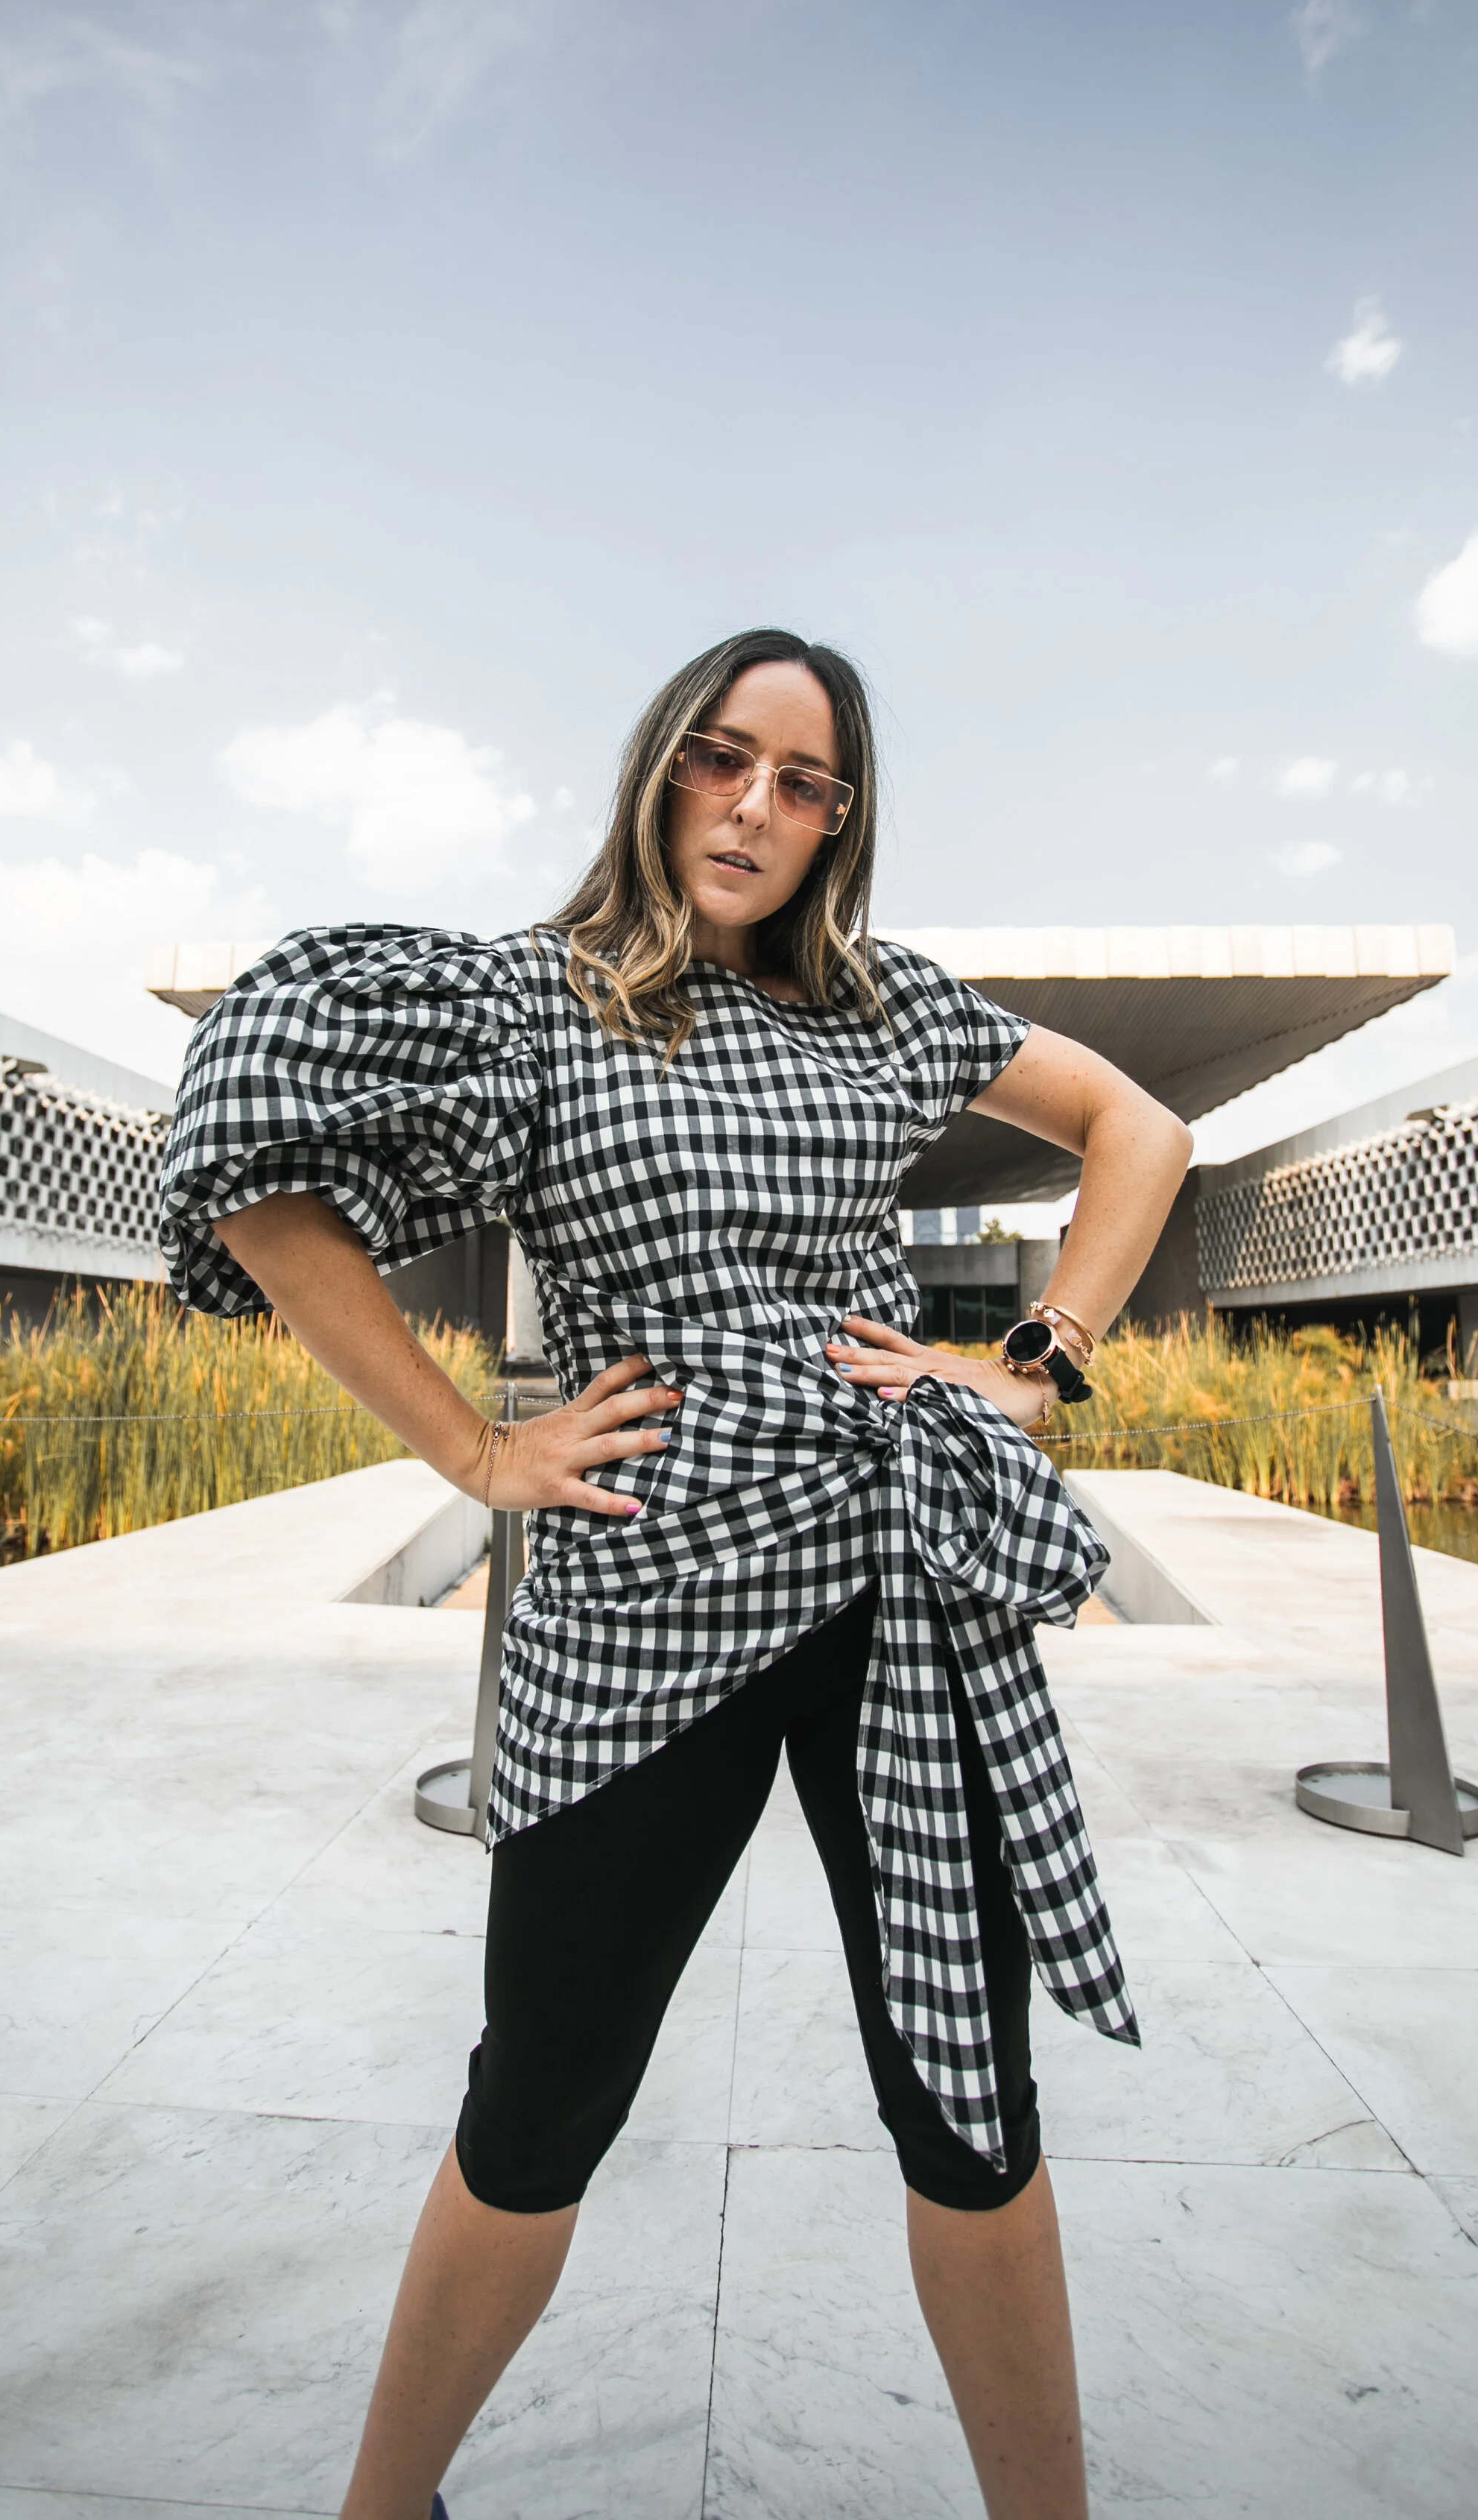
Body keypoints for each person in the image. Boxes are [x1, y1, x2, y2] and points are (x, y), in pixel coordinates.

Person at [160, 628, 1193, 2520]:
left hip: (896, 1582)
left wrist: (1032, 1355)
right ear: (659, 766)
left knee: (967, 2102)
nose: (751, 807)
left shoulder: (884, 1005)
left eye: (802, 781)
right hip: (637, 1599)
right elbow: (246, 1144)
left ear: (837, 821)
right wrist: (472, 1449)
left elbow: (1144, 1124)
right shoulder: (532, 1000)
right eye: (722, 757)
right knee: (538, 2098)